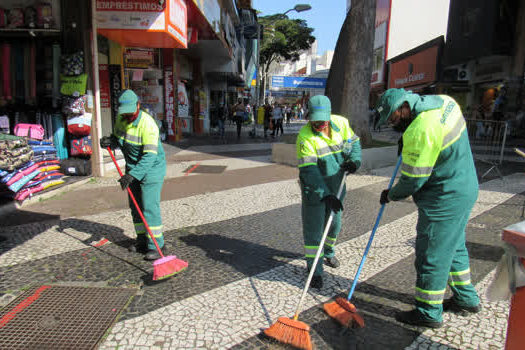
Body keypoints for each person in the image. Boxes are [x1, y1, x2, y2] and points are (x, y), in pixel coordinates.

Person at [375, 88, 481, 328]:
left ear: (403, 108)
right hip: (465, 186)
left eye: (392, 119)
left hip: (445, 196)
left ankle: (428, 312)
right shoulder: (444, 102)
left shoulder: (420, 130)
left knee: (431, 254)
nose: (392, 125)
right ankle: (466, 298)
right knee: (453, 246)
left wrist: (390, 194)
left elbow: (413, 180)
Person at [296, 95, 362, 288]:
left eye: (322, 121)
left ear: (329, 116)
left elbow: (355, 145)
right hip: (314, 191)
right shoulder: (304, 138)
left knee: (334, 225)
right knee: (314, 231)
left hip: (337, 185)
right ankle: (314, 269)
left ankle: (329, 252)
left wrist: (354, 162)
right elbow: (309, 172)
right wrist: (325, 194)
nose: (319, 124)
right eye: (314, 121)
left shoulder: (341, 123)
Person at [100, 90, 167, 261]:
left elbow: (149, 156)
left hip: (151, 168)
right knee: (135, 206)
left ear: (138, 105)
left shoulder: (148, 124)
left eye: (131, 112)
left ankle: (157, 245)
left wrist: (133, 175)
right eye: (125, 112)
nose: (128, 116)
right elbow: (118, 138)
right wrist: (110, 141)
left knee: (149, 207)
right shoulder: (121, 120)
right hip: (132, 167)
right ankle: (142, 240)